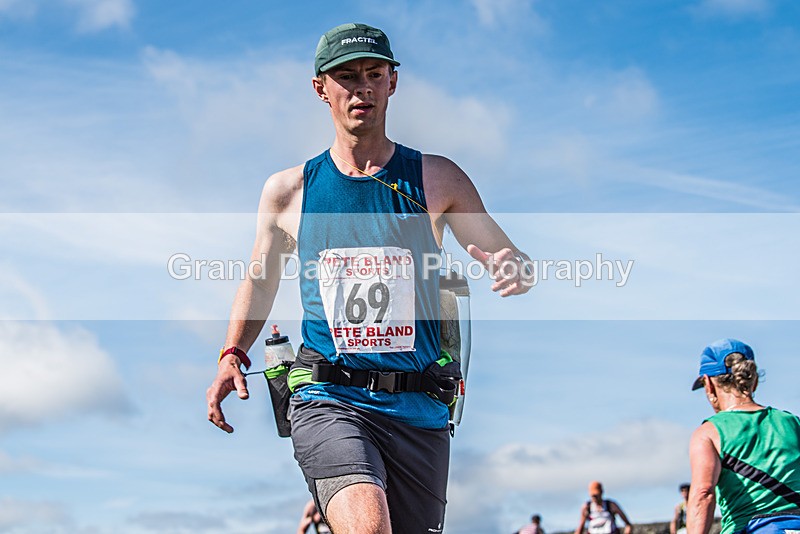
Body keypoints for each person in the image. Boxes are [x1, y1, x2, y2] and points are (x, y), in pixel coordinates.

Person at [205, 22, 532, 534]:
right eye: (347, 77)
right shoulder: (290, 191)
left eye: (374, 74)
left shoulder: (436, 178)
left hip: (419, 409)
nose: (362, 88)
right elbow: (261, 280)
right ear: (321, 89)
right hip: (328, 398)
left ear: (392, 83)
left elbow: (507, 254)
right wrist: (231, 355)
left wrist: (512, 267)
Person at [687, 338, 800, 534]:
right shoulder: (792, 422)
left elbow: (703, 494)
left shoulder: (708, 433)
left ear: (709, 386)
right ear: (753, 381)